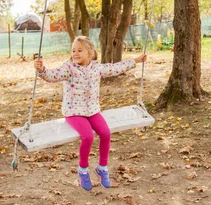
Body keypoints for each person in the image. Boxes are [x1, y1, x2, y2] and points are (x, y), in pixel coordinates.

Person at [34, 36, 147, 191]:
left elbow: (115, 68)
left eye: (80, 50)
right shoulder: (69, 68)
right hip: (73, 112)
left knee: (106, 133)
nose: (75, 53)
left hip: (92, 110)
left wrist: (136, 61)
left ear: (90, 53)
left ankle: (102, 167)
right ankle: (83, 170)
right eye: (73, 50)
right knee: (88, 136)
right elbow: (52, 76)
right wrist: (42, 70)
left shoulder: (97, 68)